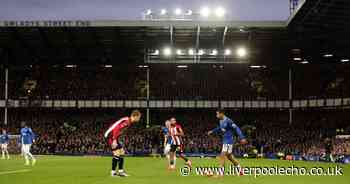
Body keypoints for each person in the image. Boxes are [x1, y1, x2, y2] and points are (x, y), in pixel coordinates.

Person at [207, 109, 247, 176]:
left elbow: (236, 128)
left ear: (221, 114)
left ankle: (220, 174)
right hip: (225, 140)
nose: (216, 115)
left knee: (222, 155)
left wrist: (242, 137)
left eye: (217, 114)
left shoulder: (228, 121)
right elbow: (220, 127)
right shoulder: (220, 121)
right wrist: (212, 131)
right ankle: (241, 170)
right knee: (230, 157)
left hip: (229, 141)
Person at [104, 110, 142, 177]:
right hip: (110, 136)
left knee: (122, 152)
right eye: (139, 117)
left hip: (114, 136)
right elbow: (116, 129)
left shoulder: (128, 121)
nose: (139, 119)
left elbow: (119, 130)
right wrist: (114, 140)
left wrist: (117, 138)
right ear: (135, 116)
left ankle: (121, 172)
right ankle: (113, 172)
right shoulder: (127, 122)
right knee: (117, 153)